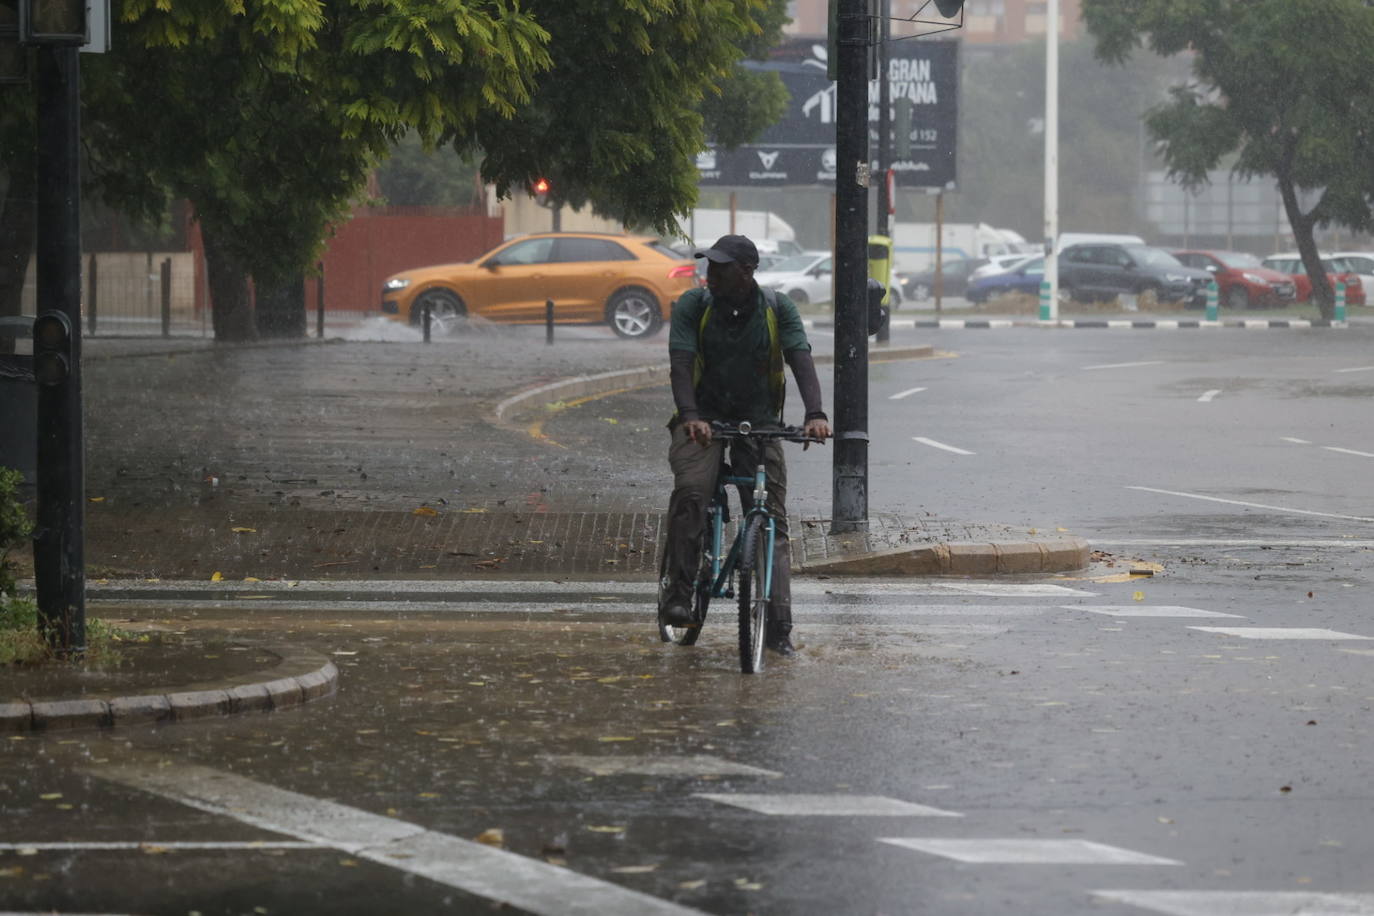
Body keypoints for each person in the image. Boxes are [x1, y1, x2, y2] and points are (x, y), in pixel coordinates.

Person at [658, 234, 831, 656]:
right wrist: (691, 416)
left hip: (760, 423)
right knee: (693, 493)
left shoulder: (777, 308)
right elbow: (680, 364)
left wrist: (815, 414)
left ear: (747, 271)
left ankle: (778, 628)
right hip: (703, 421)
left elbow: (799, 357)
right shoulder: (693, 306)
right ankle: (678, 595)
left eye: (720, 268)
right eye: (708, 266)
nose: (710, 274)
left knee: (772, 518)